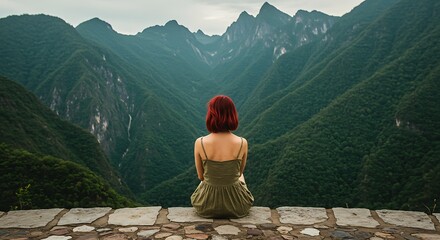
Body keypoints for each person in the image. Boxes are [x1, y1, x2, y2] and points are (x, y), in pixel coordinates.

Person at [191, 95, 254, 218]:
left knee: (208, 180)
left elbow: (201, 176)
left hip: (206, 206)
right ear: (232, 115)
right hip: (237, 206)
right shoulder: (242, 143)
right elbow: (239, 173)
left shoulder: (200, 142)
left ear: (211, 115)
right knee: (240, 177)